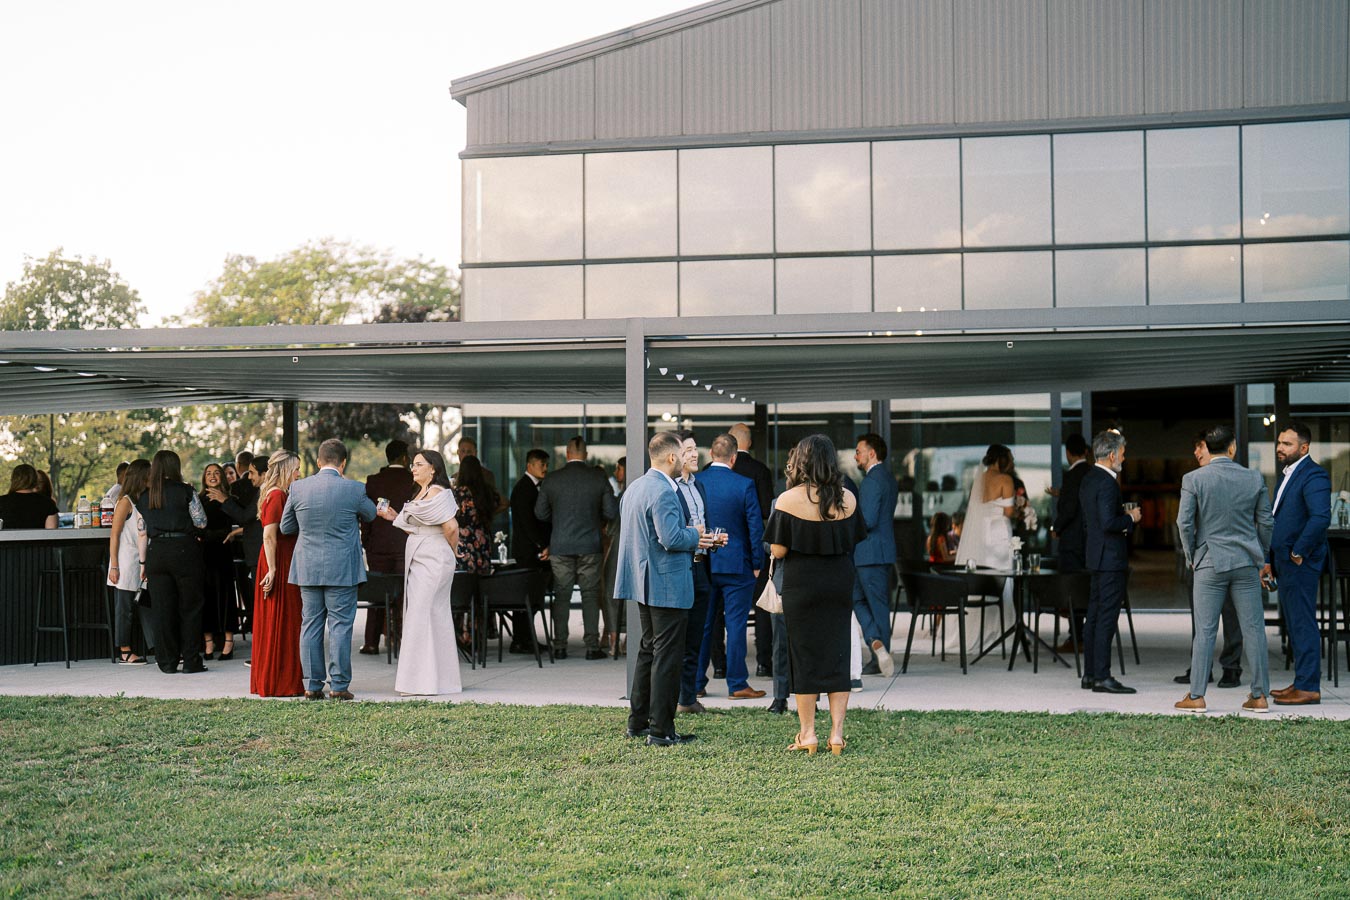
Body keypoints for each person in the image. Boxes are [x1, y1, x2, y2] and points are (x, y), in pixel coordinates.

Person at [767, 434, 866, 756]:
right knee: (838, 654)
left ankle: (807, 733)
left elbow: (778, 550)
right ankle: (836, 734)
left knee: (804, 656)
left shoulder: (787, 500)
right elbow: (854, 541)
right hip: (838, 582)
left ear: (803, 461)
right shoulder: (848, 499)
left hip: (801, 584)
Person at [616, 431, 713, 747]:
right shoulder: (665, 492)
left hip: (644, 582)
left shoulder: (635, 487)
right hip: (667, 584)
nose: (686, 459)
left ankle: (638, 722)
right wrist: (694, 534)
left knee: (648, 651)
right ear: (672, 458)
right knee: (667, 657)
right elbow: (670, 539)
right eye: (682, 455)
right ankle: (661, 731)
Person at [1174, 425, 1274, 714]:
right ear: (1232, 448)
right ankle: (1259, 696)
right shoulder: (1253, 477)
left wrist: (1192, 555)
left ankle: (1196, 695)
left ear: (1208, 447)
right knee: (1254, 628)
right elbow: (1266, 522)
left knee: (1204, 630)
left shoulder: (1193, 478)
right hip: (1245, 560)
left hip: (1209, 561)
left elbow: (1185, 523)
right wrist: (1263, 556)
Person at [281, 438, 377, 701]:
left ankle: (312, 685)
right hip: (343, 568)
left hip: (308, 567)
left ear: (319, 461)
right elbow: (371, 515)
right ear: (343, 463)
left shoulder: (298, 488)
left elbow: (286, 527)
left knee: (310, 625)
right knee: (340, 626)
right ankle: (339, 685)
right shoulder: (354, 489)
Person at [376, 449, 463, 696]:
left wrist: (455, 551)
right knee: (425, 616)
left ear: (433, 468)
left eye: (418, 464)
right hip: (420, 556)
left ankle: (423, 681)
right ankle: (430, 680)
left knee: (422, 615)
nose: (413, 468)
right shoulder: (421, 493)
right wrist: (392, 516)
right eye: (412, 464)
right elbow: (416, 529)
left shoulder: (439, 493)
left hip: (434, 560)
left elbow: (451, 526)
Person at [1264, 422, 1332, 706]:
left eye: (1287, 444)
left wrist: (1298, 552)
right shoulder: (1287, 475)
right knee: (1294, 622)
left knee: (1303, 622)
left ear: (1304, 448)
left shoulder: (1314, 474)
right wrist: (1270, 559)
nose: (1280, 448)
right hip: (1284, 562)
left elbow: (1320, 517)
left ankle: (1309, 687)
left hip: (1300, 562)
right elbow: (1278, 521)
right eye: (1279, 442)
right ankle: (1301, 681)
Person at [534, 436, 619, 659]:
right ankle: (592, 647)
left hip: (560, 545)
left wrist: (560, 518)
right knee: (590, 595)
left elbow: (540, 513)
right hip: (590, 544)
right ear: (586, 455)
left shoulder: (552, 479)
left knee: (562, 595)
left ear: (567, 453)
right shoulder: (598, 478)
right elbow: (611, 512)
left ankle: (560, 646)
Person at [695, 432, 765, 699]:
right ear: (734, 458)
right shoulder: (744, 484)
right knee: (735, 625)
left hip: (705, 562)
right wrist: (757, 562)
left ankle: (695, 683)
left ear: (711, 454)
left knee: (703, 624)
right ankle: (737, 684)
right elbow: (754, 527)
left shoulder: (697, 482)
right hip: (738, 564)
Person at [1172, 432, 1244, 688]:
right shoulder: (1195, 480)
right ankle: (1201, 669)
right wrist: (1192, 555)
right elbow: (1186, 522)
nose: (1196, 452)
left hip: (1228, 558)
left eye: (1199, 446)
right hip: (1202, 560)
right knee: (1201, 619)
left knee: (1231, 616)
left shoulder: (1235, 478)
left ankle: (1231, 667)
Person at [134, 449, 209, 675]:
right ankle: (190, 661)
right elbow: (202, 521)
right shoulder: (186, 490)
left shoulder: (145, 496)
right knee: (190, 607)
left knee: (162, 610)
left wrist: (143, 563)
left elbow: (142, 531)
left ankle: (166, 662)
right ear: (174, 467)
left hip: (156, 553)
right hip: (184, 550)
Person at [1079, 430, 1142, 694]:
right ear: (1113, 454)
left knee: (1093, 617)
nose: (1124, 460)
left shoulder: (1088, 479)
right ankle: (1102, 676)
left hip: (1095, 555)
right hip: (1110, 559)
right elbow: (1108, 523)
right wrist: (1131, 518)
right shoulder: (1106, 483)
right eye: (1123, 455)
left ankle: (1090, 674)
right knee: (1106, 618)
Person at [948, 444, 1019, 655]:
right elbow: (1007, 512)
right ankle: (1002, 631)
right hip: (999, 535)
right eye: (1010, 458)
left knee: (981, 580)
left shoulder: (979, 480)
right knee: (1003, 581)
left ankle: (976, 631)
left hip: (982, 535)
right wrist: (1020, 510)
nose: (1012, 463)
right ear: (1001, 459)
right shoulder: (1006, 480)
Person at [250, 451, 305, 698]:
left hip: (283, 558)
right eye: (295, 469)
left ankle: (280, 677)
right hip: (278, 561)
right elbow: (269, 535)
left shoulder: (280, 494)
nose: (298, 474)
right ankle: (279, 681)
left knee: (286, 618)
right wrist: (272, 570)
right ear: (285, 470)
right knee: (281, 618)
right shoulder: (276, 496)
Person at [360, 440, 417, 655]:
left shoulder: (373, 481)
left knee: (378, 595)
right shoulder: (413, 480)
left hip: (378, 546)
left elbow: (366, 514)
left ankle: (371, 642)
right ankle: (403, 641)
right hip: (406, 544)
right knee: (405, 594)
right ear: (404, 457)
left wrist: (367, 540)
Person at [729, 422, 775, 678]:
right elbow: (767, 509)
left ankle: (720, 663)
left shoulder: (712, 472)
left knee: (720, 611)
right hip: (755, 548)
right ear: (749, 443)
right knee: (762, 606)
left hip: (724, 549)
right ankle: (763, 662)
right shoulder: (759, 470)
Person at [673, 432, 715, 714]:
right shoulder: (668, 489)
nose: (694, 454)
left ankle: (687, 698)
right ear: (674, 456)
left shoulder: (698, 486)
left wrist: (711, 539)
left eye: (695, 449)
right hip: (679, 569)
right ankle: (674, 697)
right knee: (678, 635)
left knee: (696, 636)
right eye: (688, 450)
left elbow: (700, 526)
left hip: (702, 567)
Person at [852, 433, 898, 678]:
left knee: (875, 605)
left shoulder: (872, 481)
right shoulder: (889, 478)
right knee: (858, 599)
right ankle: (876, 643)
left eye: (859, 451)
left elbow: (867, 519)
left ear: (872, 453)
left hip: (870, 553)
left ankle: (880, 654)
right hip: (877, 552)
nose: (855, 455)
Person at [106, 459, 151, 665]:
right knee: (125, 606)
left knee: (145, 605)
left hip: (142, 560)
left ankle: (154, 645)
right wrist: (114, 565)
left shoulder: (145, 499)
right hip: (125, 560)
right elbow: (114, 535)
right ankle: (124, 650)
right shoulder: (125, 502)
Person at [509, 448, 552, 653]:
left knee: (532, 597)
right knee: (524, 596)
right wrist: (541, 545)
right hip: (528, 552)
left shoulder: (535, 487)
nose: (545, 468)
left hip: (532, 551)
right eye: (541, 464)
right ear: (529, 465)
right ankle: (520, 639)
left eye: (546, 464)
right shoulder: (524, 488)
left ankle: (526, 638)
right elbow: (527, 523)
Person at [218, 454, 265, 635]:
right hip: (256, 550)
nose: (249, 476)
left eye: (252, 473)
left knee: (260, 600)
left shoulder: (265, 492)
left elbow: (247, 517)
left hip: (259, 551)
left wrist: (225, 501)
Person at [1051, 433, 1091, 652]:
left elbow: (1069, 509)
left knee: (1071, 591)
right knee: (1086, 589)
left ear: (1068, 453)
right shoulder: (1092, 472)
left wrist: (1056, 528)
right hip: (1088, 542)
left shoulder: (1072, 475)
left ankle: (1075, 637)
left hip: (1072, 542)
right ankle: (1086, 636)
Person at [198, 463, 238, 660]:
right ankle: (208, 642)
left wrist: (225, 501)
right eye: (208, 473)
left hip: (223, 551)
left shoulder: (232, 499)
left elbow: (241, 519)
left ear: (222, 476)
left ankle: (229, 641)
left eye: (216, 473)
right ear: (204, 478)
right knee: (206, 596)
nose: (212, 476)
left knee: (226, 595)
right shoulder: (197, 500)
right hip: (203, 553)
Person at [456, 436, 507, 515]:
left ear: (475, 453)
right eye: (463, 451)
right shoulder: (454, 477)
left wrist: (486, 515)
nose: (466, 455)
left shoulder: (486, 475)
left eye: (469, 451)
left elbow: (500, 502)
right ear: (458, 452)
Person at [0, 464, 59, 528]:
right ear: (35, 480)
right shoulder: (48, 504)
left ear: (13, 480)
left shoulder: (2, 502)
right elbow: (51, 534)